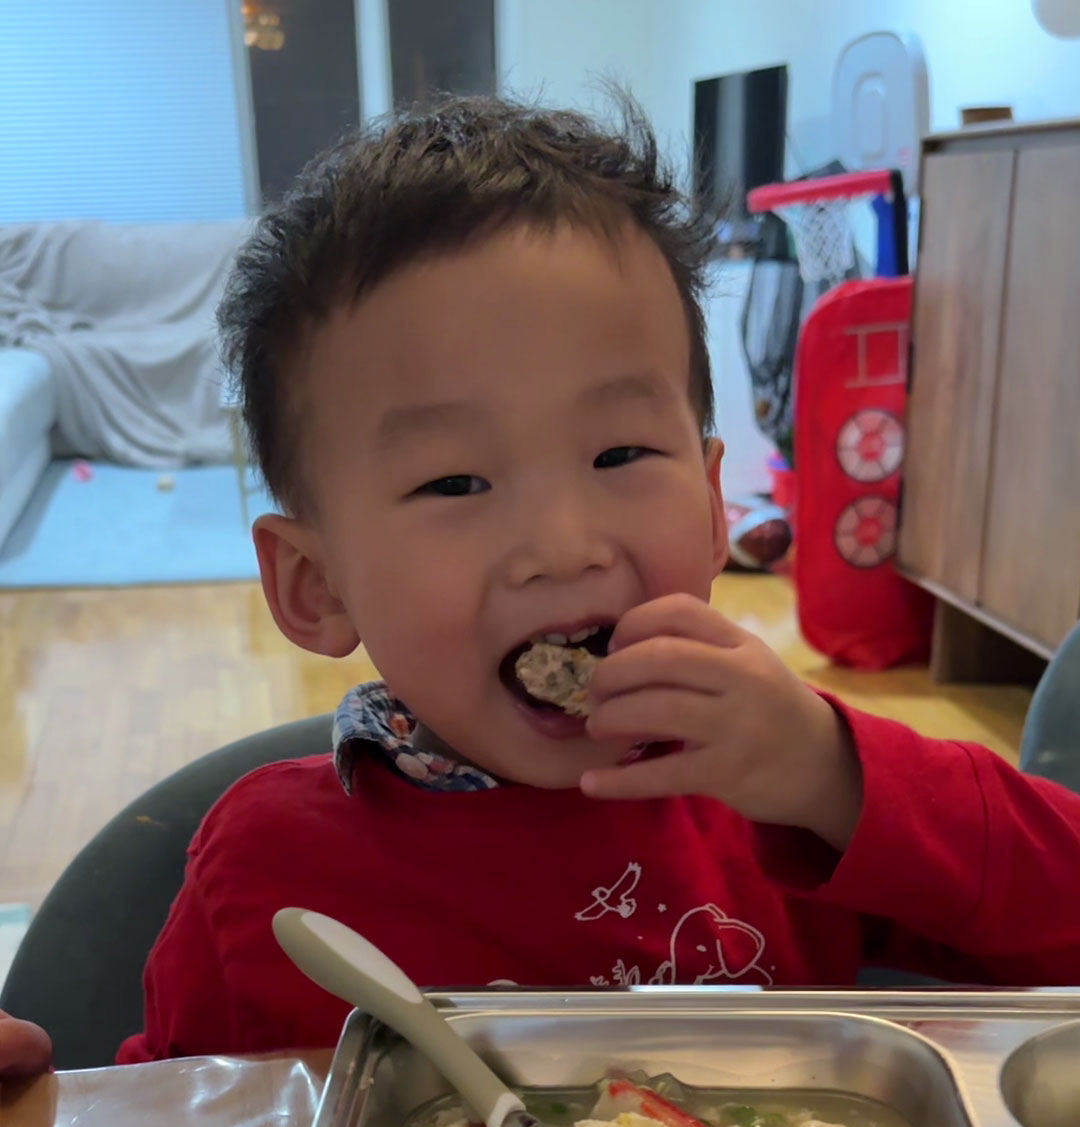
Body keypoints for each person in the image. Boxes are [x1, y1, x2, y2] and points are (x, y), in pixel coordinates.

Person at [8, 94, 1080, 1076]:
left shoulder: (783, 799)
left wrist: (834, 778)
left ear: (716, 507)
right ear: (316, 584)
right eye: (454, 481)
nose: (562, 546)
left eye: (619, 456)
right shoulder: (267, 876)